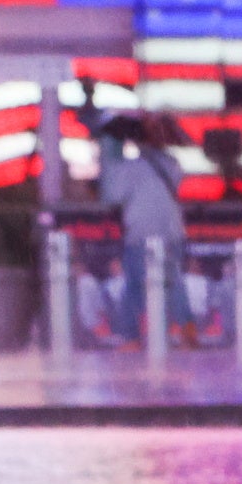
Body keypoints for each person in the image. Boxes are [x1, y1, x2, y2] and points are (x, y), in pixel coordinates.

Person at [90, 117, 191, 346]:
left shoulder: (131, 168)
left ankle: (131, 337)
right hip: (172, 232)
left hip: (141, 233)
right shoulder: (171, 164)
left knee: (134, 286)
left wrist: (109, 156)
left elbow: (112, 196)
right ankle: (187, 331)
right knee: (173, 282)